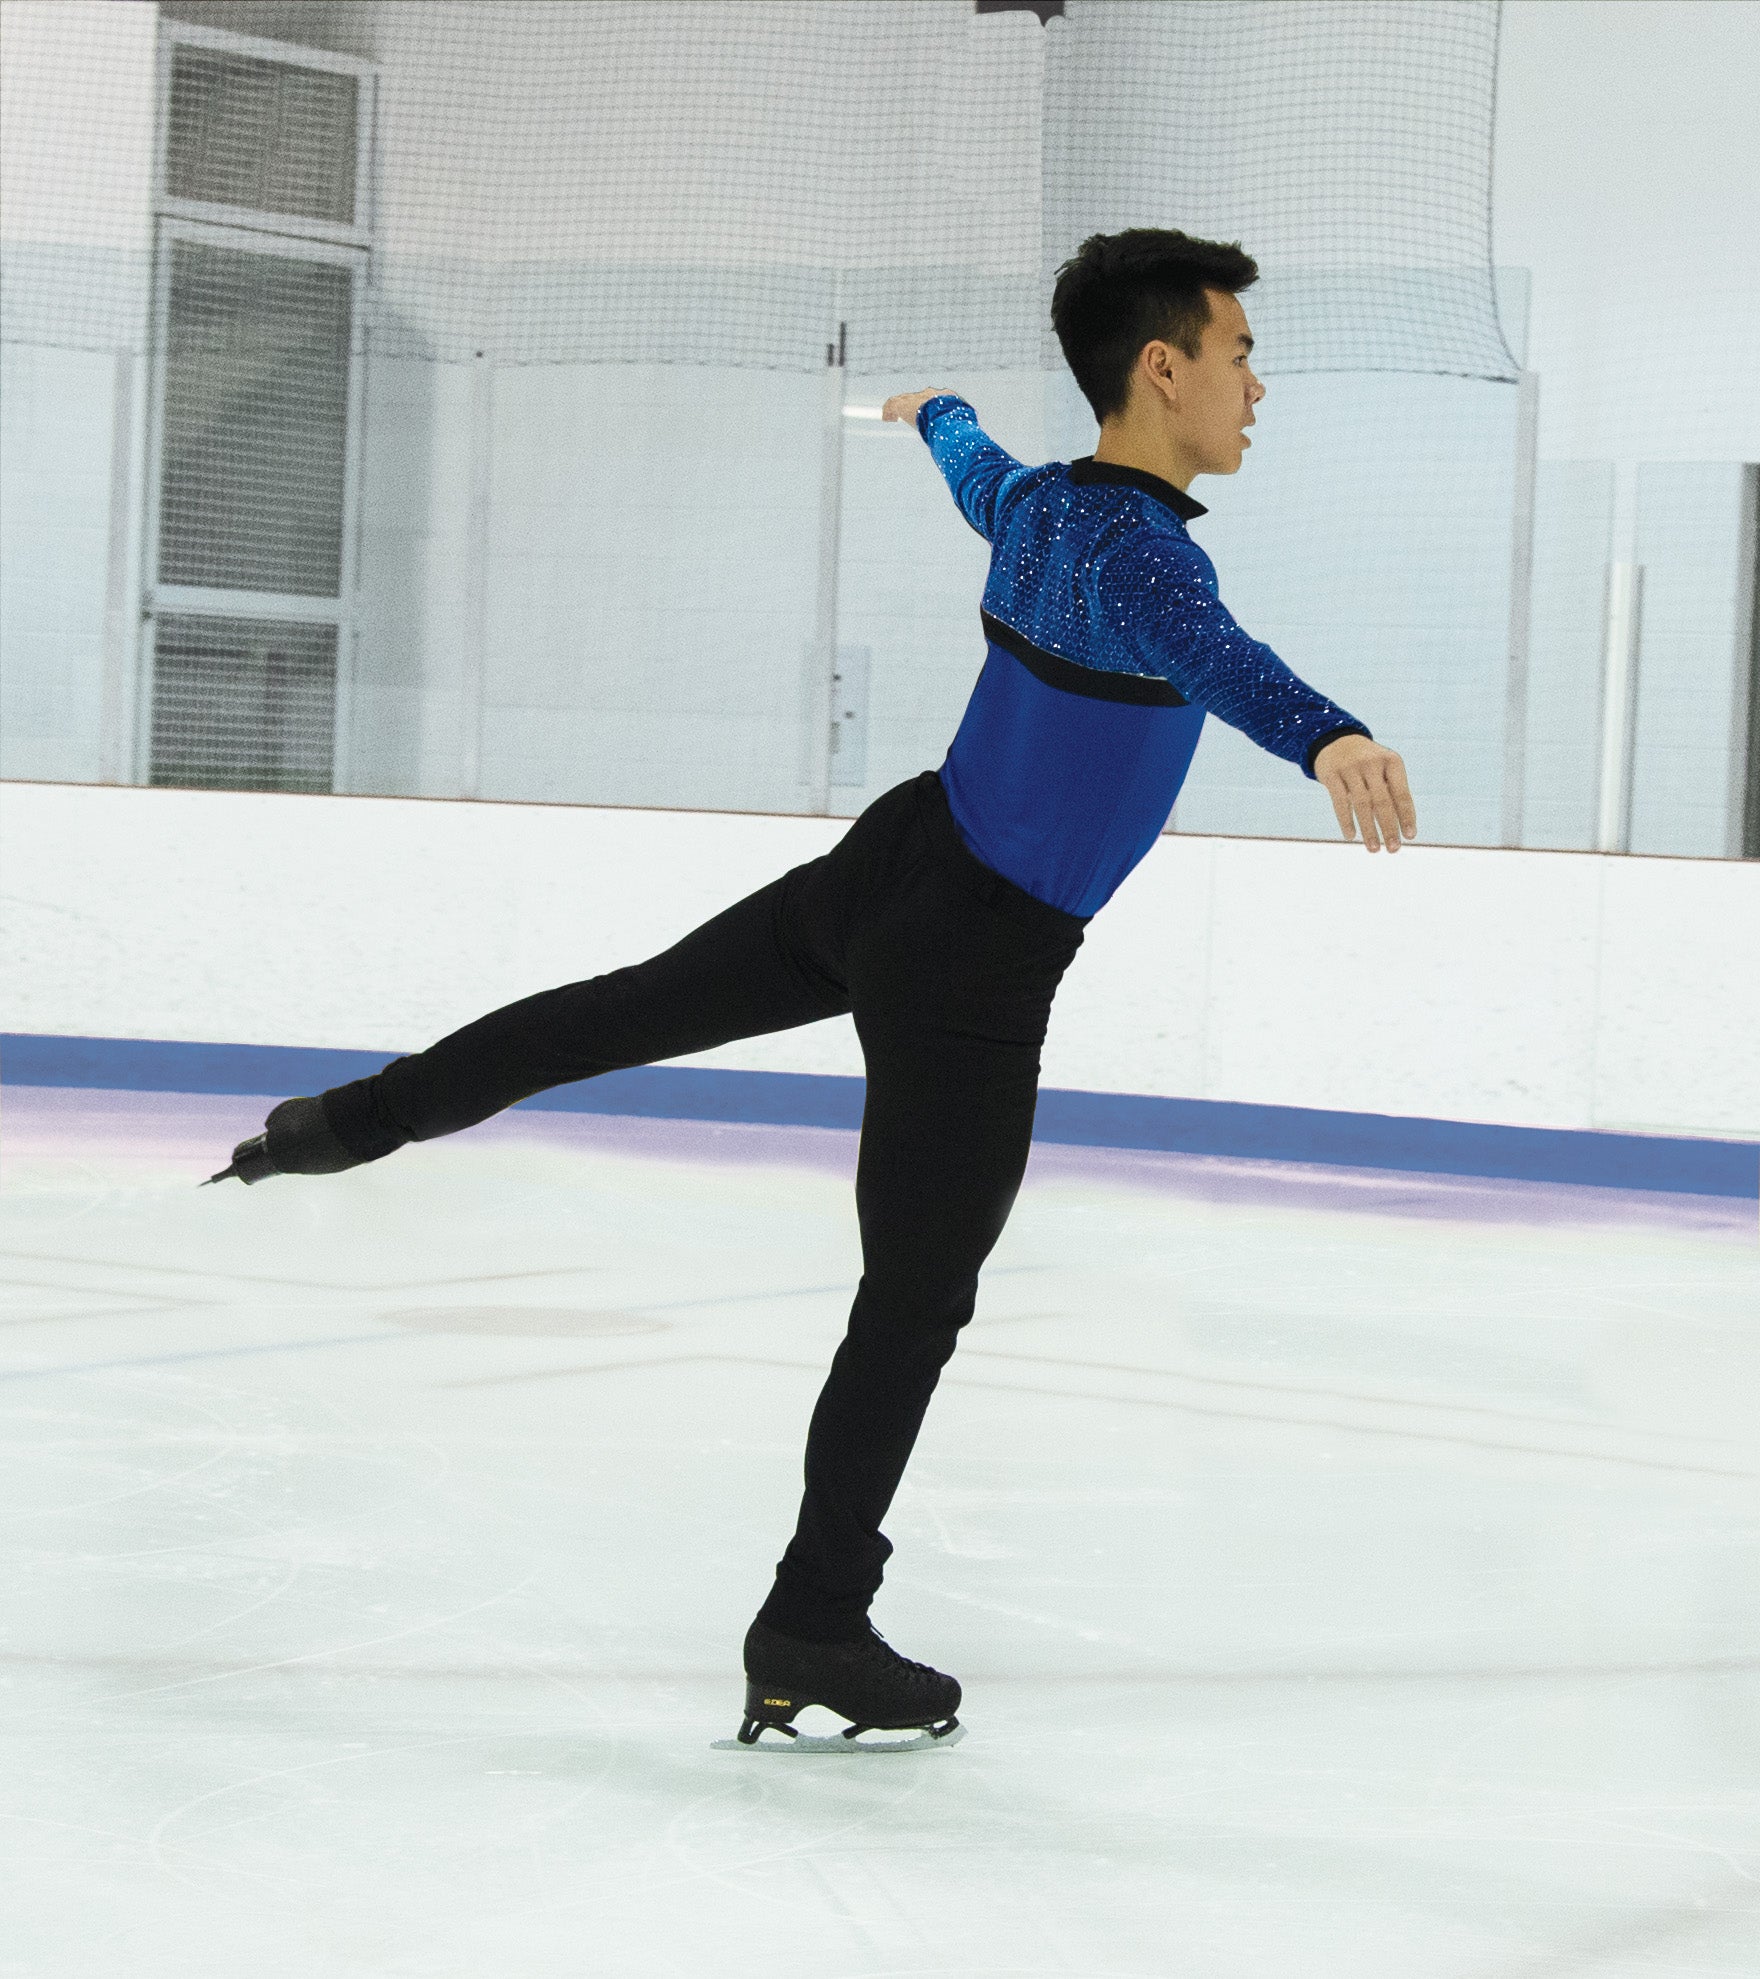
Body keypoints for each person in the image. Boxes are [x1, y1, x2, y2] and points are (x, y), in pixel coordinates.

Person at [210, 228, 1416, 1753]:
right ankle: (814, 1621)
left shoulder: (1044, 509)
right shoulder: (1150, 561)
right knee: (914, 1303)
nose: (1259, 387)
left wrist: (936, 417)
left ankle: (349, 1121)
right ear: (1162, 369)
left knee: (619, 1007)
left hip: (887, 872)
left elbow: (978, 473)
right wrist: (1330, 735)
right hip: (975, 960)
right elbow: (1221, 657)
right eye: (1241, 354)